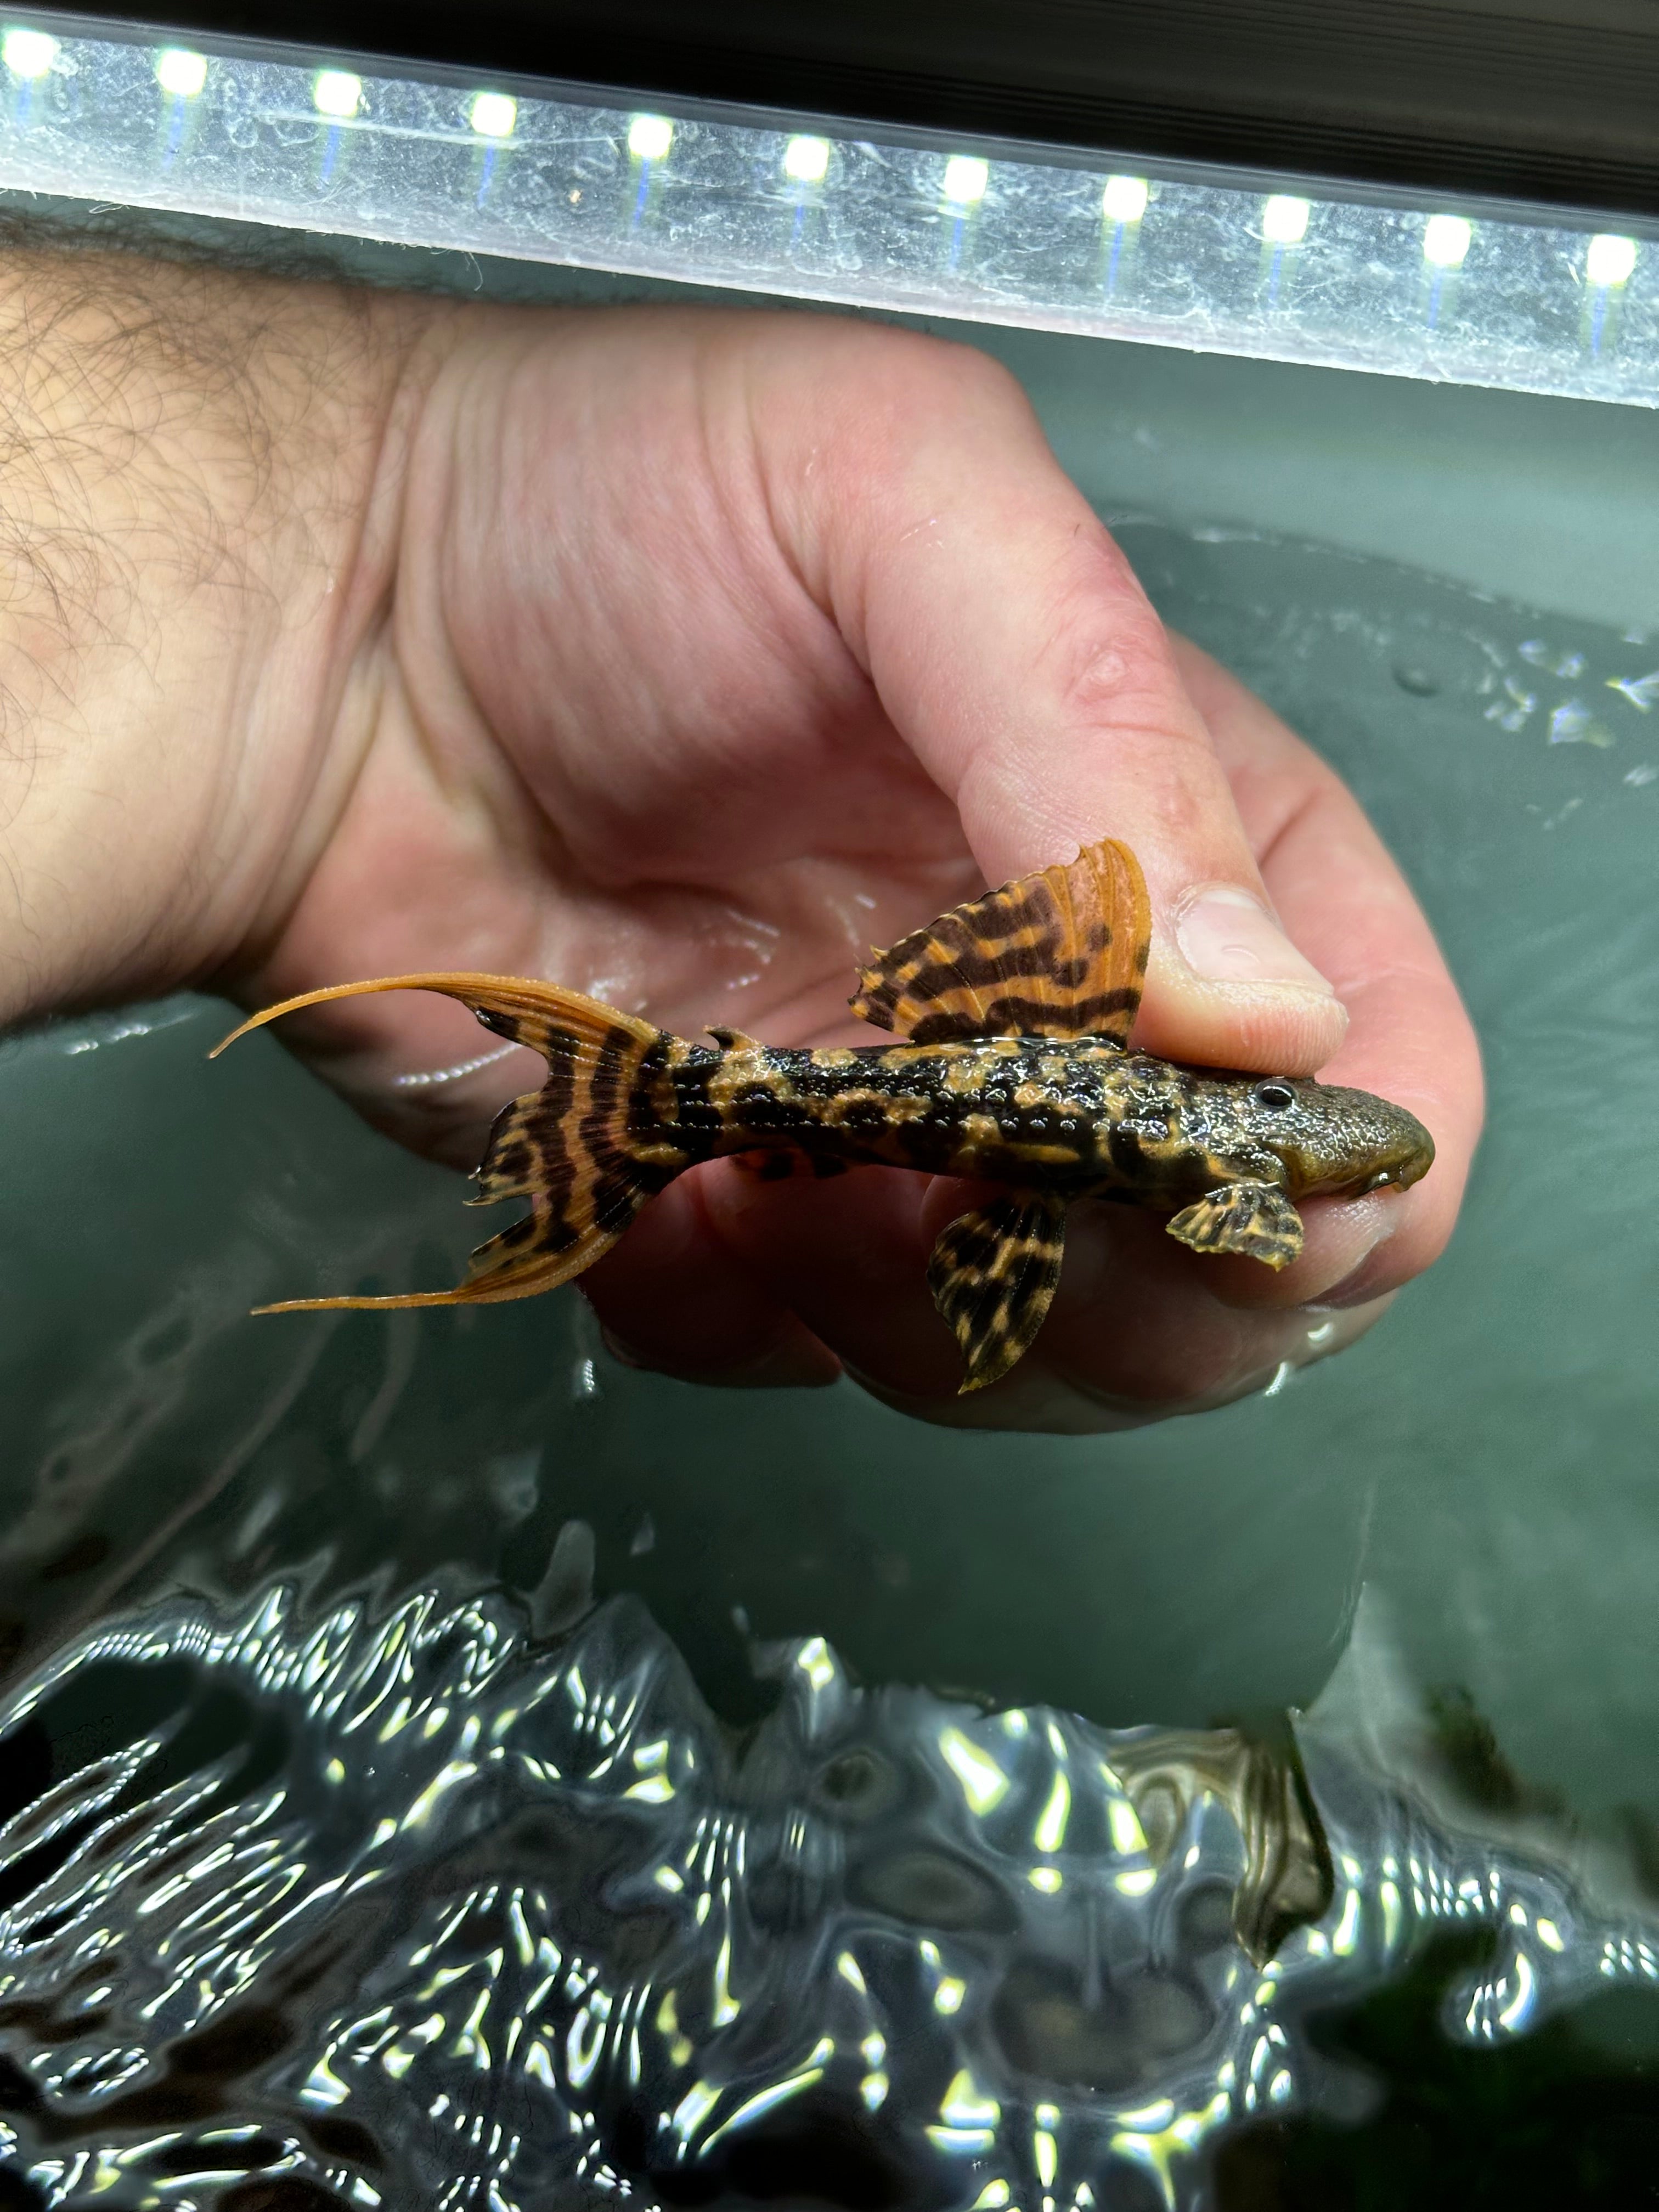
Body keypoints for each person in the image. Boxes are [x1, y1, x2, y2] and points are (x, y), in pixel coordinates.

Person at [0, 249, 1482, 1431]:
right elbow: (1230, 1218)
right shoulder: (1235, 1193)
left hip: (945, 1086)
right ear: (1288, 1162)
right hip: (958, 1119)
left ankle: (675, 1123)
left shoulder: (1231, 1163)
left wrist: (364, 578)